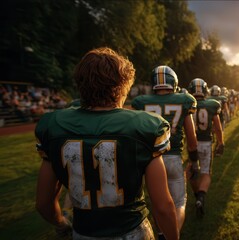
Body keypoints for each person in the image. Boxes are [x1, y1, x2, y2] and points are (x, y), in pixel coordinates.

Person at [35, 47, 179, 240]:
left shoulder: (54, 126)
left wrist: (61, 222)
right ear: (123, 85)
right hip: (132, 232)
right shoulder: (144, 126)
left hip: (83, 233)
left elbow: (44, 203)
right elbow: (163, 206)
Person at [132, 65, 198, 237]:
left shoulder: (141, 102)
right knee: (179, 203)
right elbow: (192, 138)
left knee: (157, 201)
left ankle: (162, 232)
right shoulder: (184, 100)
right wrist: (194, 160)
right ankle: (171, 235)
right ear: (173, 81)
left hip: (151, 160)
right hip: (174, 157)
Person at [187, 78, 224, 218]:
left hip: (192, 143)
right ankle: (201, 198)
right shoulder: (212, 104)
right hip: (206, 143)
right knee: (206, 173)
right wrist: (221, 142)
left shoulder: (186, 103)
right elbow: (218, 128)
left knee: (192, 170)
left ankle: (197, 195)